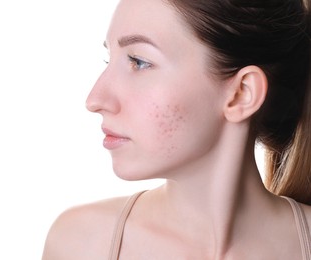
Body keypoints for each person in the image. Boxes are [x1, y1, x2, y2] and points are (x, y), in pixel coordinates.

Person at [42, 0, 311, 258]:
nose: (95, 100)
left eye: (138, 61)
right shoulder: (81, 245)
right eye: (108, 60)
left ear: (242, 94)